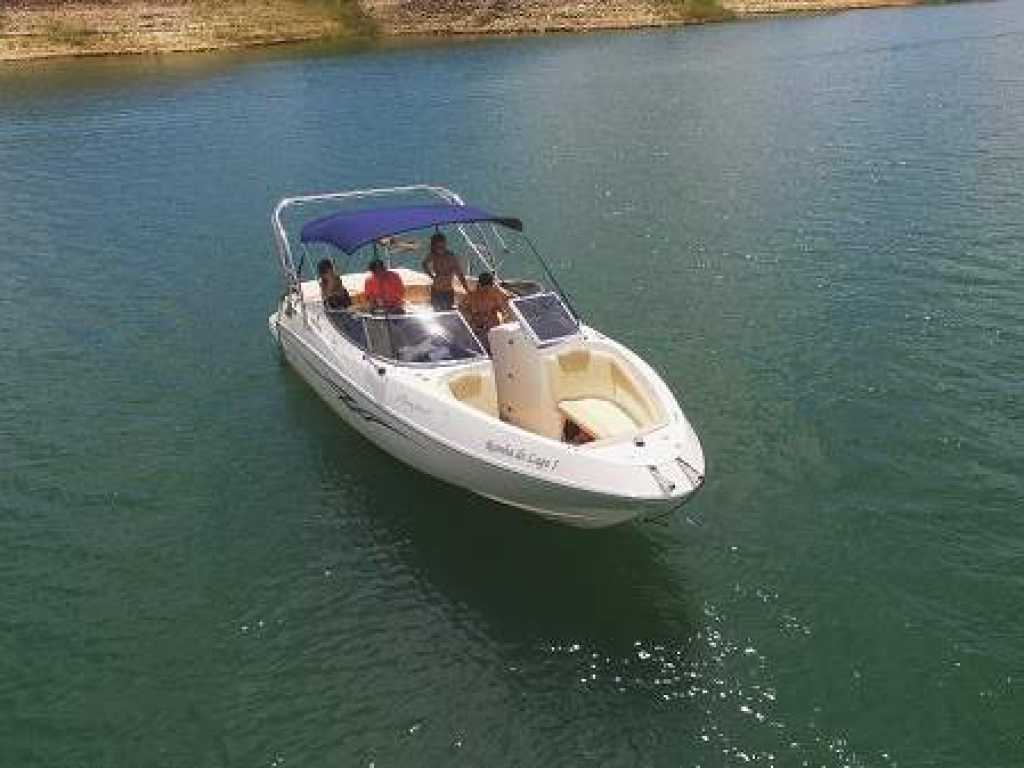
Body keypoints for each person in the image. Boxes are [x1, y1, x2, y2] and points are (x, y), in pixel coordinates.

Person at [460, 272, 509, 350]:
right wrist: (471, 319)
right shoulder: (471, 296)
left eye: (488, 288)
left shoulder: (496, 295)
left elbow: (504, 312)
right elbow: (462, 310)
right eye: (484, 288)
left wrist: (500, 322)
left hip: (491, 329)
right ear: (479, 285)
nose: (486, 291)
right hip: (477, 329)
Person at [421, 233, 469, 311]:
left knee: (448, 311)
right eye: (438, 247)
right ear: (433, 246)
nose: (440, 249)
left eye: (442, 246)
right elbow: (424, 264)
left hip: (447, 290)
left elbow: (460, 274)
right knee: (437, 312)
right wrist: (431, 275)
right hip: (436, 290)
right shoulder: (432, 255)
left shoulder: (450, 257)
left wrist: (466, 289)